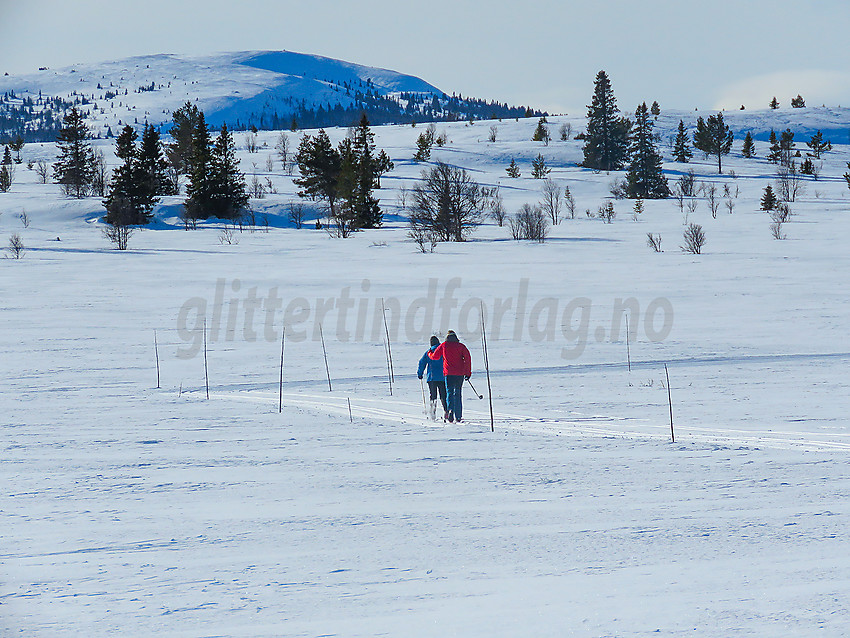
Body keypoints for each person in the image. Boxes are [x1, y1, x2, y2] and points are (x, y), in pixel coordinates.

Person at [428, 330, 471, 423]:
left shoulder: (443, 345)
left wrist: (430, 354)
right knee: (458, 393)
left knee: (449, 392)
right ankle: (458, 416)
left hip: (449, 373)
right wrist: (468, 373)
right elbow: (467, 359)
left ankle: (450, 411)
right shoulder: (461, 346)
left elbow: (435, 356)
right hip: (460, 374)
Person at [417, 336, 447, 421]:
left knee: (433, 396)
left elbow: (421, 363)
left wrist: (420, 373)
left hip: (432, 378)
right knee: (443, 395)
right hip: (443, 377)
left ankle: (433, 413)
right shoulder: (443, 351)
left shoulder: (428, 352)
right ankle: (446, 411)